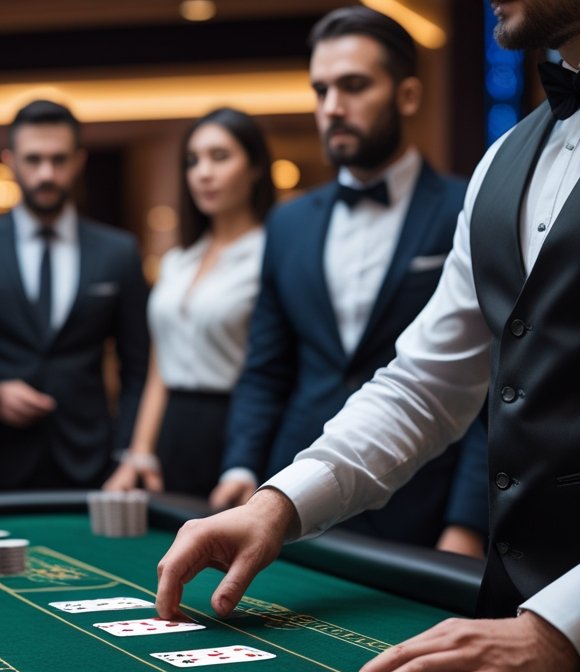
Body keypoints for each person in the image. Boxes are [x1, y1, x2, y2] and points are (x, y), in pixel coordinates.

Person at [156, 0, 580, 672]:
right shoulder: (504, 158)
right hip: (503, 635)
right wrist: (278, 504)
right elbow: (424, 384)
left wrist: (561, 630)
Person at [209, 6, 488, 554]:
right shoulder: (287, 223)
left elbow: (490, 380)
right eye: (321, 90)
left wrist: (469, 520)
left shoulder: (469, 207)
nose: (332, 108)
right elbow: (266, 369)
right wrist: (243, 465)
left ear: (408, 96)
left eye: (354, 86)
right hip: (293, 492)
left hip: (424, 502)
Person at [0, 100, 149, 491]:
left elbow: (138, 367)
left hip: (91, 461)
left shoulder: (118, 251)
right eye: (33, 159)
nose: (46, 174)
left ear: (78, 161)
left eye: (58, 160)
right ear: (10, 161)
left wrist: (126, 454)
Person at [103, 107, 273, 498]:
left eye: (220, 157)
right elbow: (160, 364)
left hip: (234, 428)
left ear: (256, 167)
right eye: (193, 160)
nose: (203, 173)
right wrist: (141, 450)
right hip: (171, 432)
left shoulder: (270, 256)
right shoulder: (178, 261)